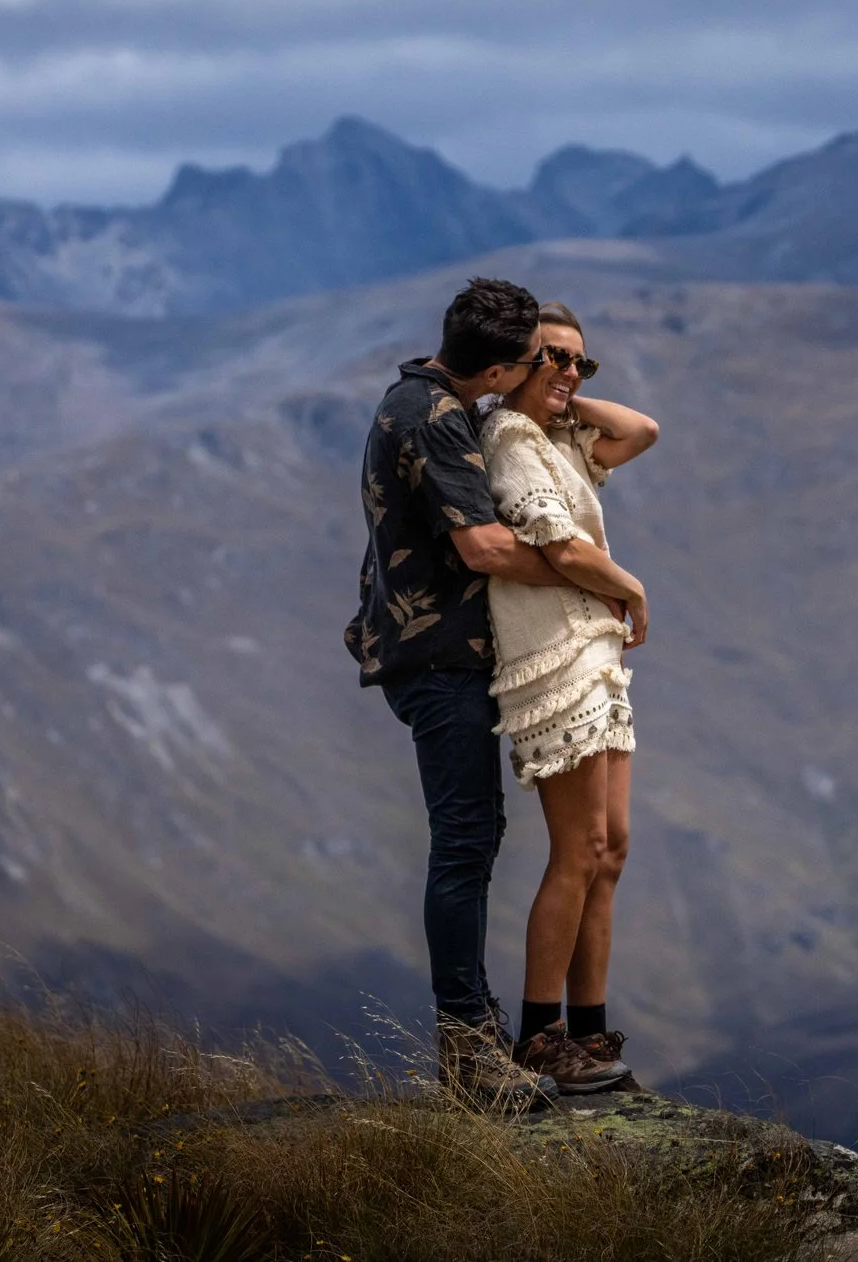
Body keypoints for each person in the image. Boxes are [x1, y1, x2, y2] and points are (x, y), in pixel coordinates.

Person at [344, 276, 575, 1108]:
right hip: (438, 655)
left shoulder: (420, 396)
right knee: (466, 841)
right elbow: (482, 546)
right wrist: (581, 573)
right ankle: (471, 1051)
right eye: (529, 362)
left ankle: (473, 1038)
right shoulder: (438, 418)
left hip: (432, 653)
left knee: (470, 839)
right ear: (500, 369)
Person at [478, 303, 659, 1094]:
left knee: (610, 848)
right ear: (515, 362)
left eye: (582, 360)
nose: (570, 370)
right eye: (550, 356)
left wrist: (564, 393)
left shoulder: (560, 438)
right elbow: (559, 545)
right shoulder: (510, 443)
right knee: (577, 846)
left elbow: (642, 429)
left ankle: (588, 1029)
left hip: (597, 654)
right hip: (553, 658)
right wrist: (633, 587)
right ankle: (540, 1034)